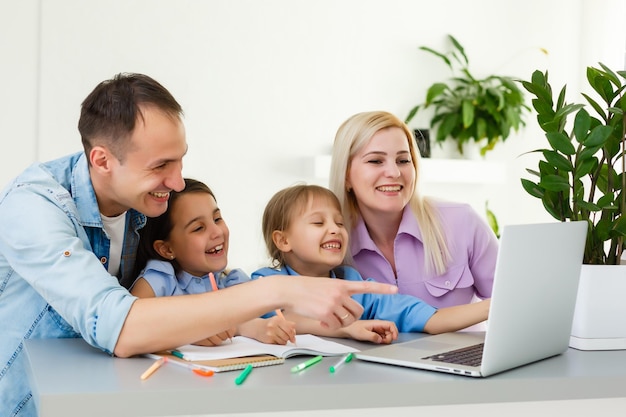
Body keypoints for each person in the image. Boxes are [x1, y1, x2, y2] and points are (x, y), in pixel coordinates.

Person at [0, 74, 397, 417]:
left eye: (179, 162)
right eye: (160, 167)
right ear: (102, 161)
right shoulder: (34, 206)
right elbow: (118, 325)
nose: (176, 183)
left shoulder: (137, 201)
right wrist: (277, 289)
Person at [251, 184, 490, 343]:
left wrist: (494, 306)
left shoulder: (354, 284)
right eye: (318, 223)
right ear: (283, 240)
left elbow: (425, 317)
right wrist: (345, 328)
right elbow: (280, 319)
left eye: (339, 223)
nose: (334, 229)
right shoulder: (263, 283)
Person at [329, 110, 498, 308]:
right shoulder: (331, 243)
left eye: (403, 160)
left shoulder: (461, 221)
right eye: (375, 161)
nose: (394, 172)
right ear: (346, 175)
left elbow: (515, 302)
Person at [131, 177, 296, 345]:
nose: (217, 232)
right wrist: (188, 331)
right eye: (198, 228)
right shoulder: (160, 279)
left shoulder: (234, 284)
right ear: (167, 249)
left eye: (217, 219)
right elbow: (128, 325)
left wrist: (265, 327)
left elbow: (251, 322)